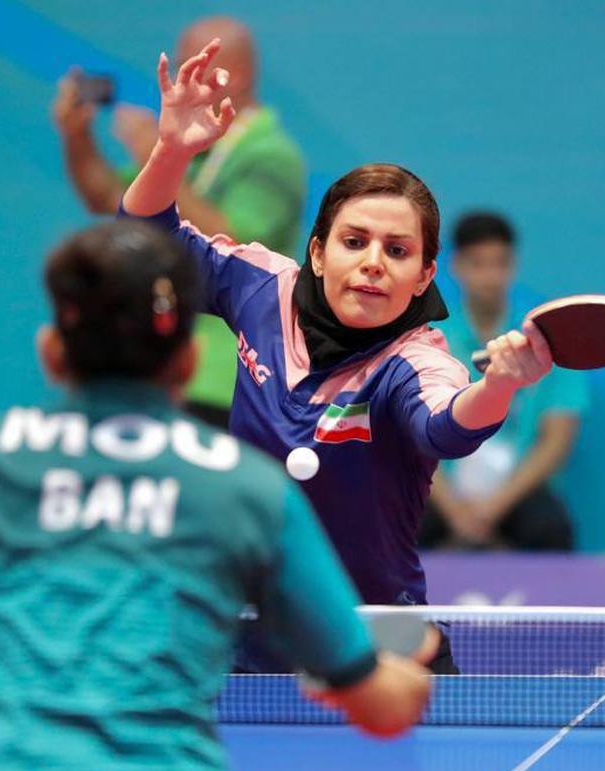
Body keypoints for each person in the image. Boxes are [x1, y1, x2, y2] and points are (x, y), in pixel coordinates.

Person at [0, 220, 436, 771]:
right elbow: (381, 710)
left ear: (50, 352)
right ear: (188, 361)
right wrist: (404, 676)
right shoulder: (246, 488)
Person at [120, 40, 555, 671]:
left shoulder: (415, 359)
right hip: (251, 633)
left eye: (397, 251)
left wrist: (501, 387)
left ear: (424, 275)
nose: (373, 262)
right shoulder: (262, 290)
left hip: (379, 644)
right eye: (355, 242)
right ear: (320, 254)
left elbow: (446, 427)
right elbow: (147, 242)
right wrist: (171, 150)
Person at [52, 16, 306, 427]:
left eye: (195, 64)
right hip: (159, 365)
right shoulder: (195, 149)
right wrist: (77, 137)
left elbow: (230, 243)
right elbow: (108, 197)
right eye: (181, 63)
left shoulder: (273, 155)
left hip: (227, 375)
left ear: (236, 75)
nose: (181, 78)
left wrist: (159, 152)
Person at [421, 212, 587, 550]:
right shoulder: (425, 338)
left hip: (516, 494)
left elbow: (556, 441)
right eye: (478, 263)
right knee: (395, 521)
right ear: (456, 266)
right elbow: (411, 436)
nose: (490, 276)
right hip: (441, 491)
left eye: (499, 263)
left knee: (549, 530)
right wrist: (455, 511)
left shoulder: (548, 339)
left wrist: (494, 508)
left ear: (513, 266)